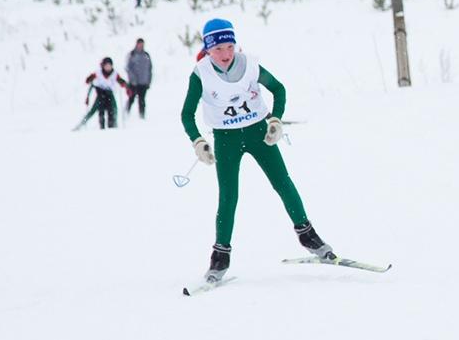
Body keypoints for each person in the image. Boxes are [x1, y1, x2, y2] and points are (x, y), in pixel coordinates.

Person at [180, 18, 335, 283]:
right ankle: (220, 256)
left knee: (283, 183)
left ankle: (308, 235)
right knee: (228, 196)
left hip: (258, 133)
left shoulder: (249, 65)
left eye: (230, 47)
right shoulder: (200, 73)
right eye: (218, 49)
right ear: (207, 49)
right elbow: (186, 114)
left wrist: (275, 120)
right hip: (226, 139)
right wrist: (197, 141)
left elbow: (278, 89)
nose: (225, 54)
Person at [79, 57, 129, 130]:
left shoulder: (114, 74)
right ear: (103, 66)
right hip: (100, 94)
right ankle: (82, 124)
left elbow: (121, 81)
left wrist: (125, 85)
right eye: (106, 66)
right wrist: (89, 79)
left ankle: (113, 127)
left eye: (109, 66)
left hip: (110, 95)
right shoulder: (98, 72)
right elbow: (90, 78)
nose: (108, 67)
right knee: (95, 111)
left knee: (113, 110)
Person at [125, 38, 152, 119]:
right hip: (134, 82)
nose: (141, 46)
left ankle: (142, 116)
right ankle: (126, 113)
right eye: (139, 44)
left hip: (143, 82)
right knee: (131, 98)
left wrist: (149, 80)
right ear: (136, 44)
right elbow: (128, 68)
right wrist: (132, 79)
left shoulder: (146, 55)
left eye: (142, 44)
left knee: (142, 100)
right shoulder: (132, 54)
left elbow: (150, 69)